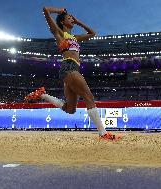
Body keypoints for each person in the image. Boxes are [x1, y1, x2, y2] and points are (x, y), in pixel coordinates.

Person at [25, 7, 121, 141]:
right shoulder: (59, 33)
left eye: (72, 18)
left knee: (70, 109)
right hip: (69, 67)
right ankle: (103, 133)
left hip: (72, 69)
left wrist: (78, 22)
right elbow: (46, 10)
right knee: (88, 96)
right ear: (63, 22)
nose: (72, 19)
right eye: (69, 18)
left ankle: (42, 95)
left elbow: (92, 33)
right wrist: (59, 11)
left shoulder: (75, 37)